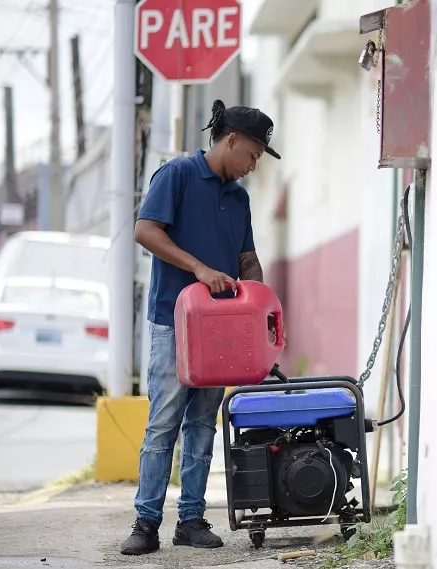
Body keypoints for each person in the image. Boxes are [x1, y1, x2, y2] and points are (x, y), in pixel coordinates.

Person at [121, 99, 281, 556]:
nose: (253, 165)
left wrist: (257, 295)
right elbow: (145, 230)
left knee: (203, 425)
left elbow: (246, 257)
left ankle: (190, 519)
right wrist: (200, 269)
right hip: (174, 322)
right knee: (163, 424)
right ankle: (145, 522)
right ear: (231, 140)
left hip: (221, 329)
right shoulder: (178, 175)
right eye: (252, 154)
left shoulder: (240, 198)